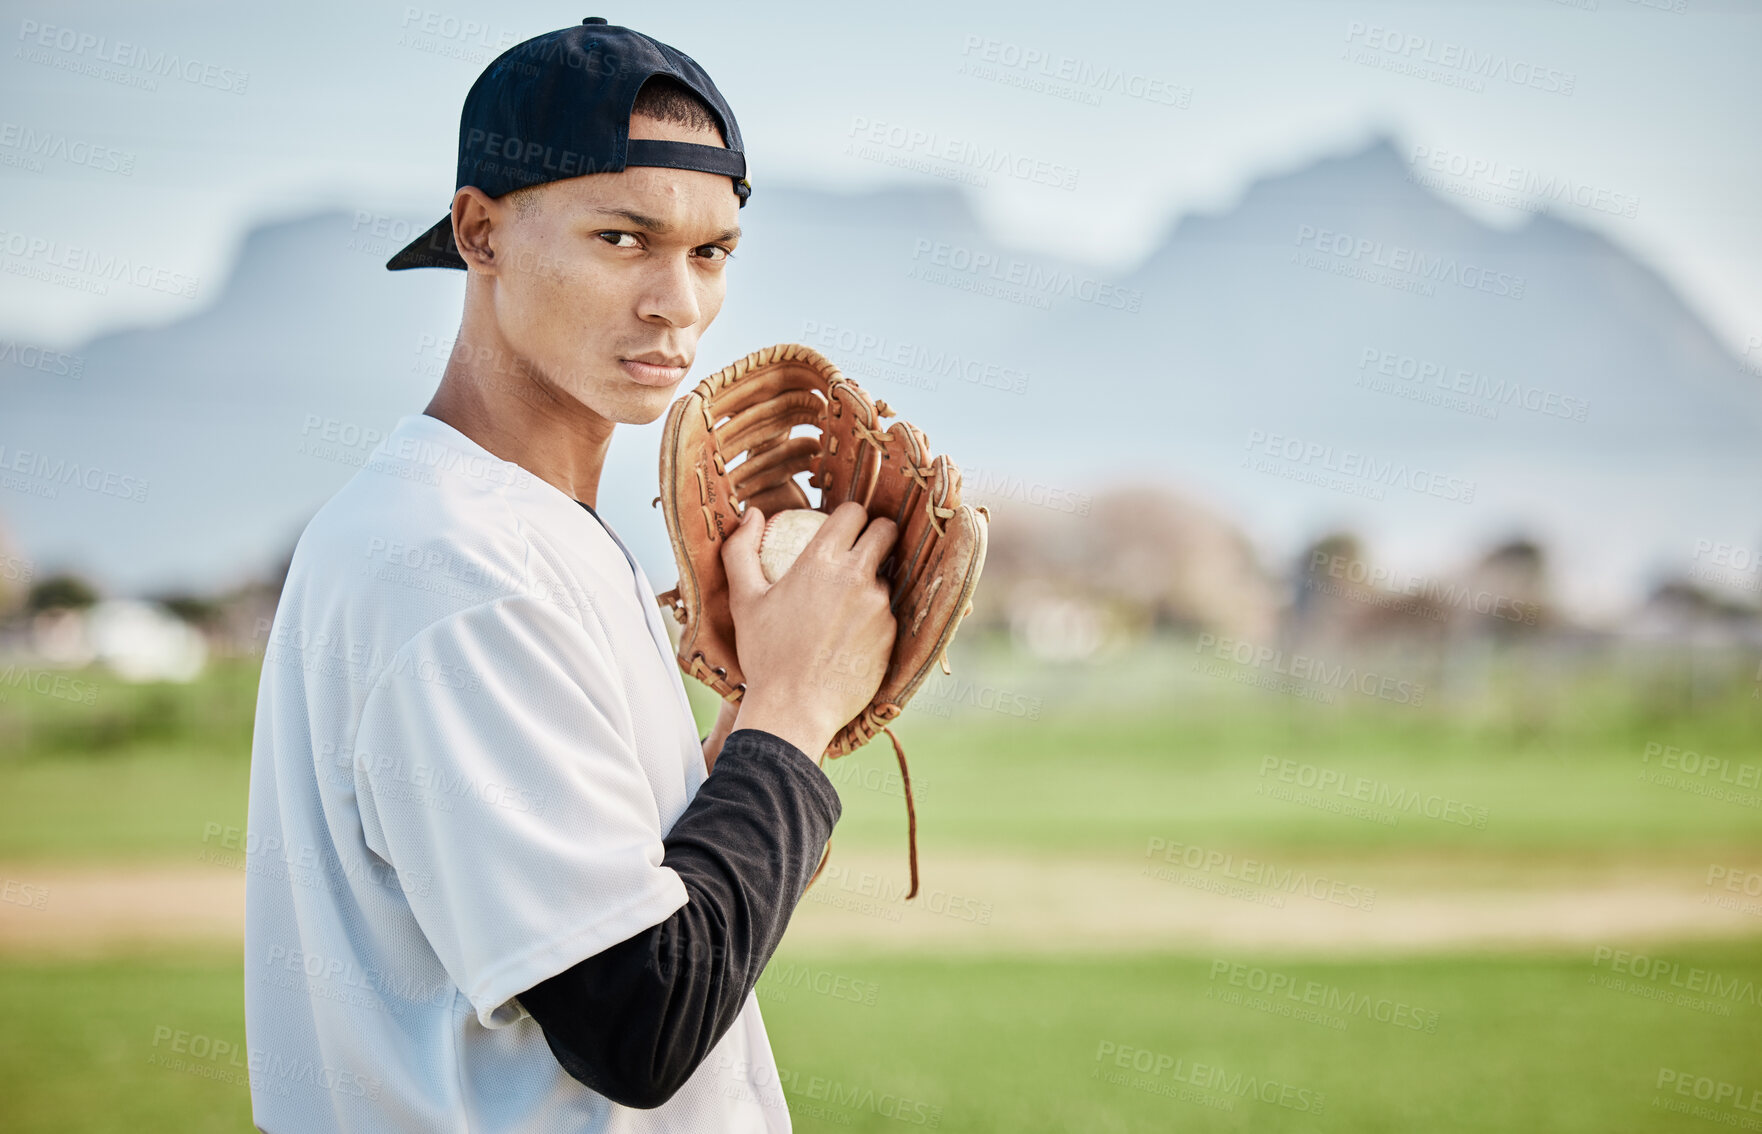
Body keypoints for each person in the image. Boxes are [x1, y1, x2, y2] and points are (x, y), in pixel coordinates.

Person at [243, 17, 896, 1131]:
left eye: (711, 251)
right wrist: (792, 708)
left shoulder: (537, 530)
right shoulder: (456, 562)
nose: (677, 303)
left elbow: (653, 922)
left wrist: (753, 734)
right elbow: (637, 1021)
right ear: (479, 232)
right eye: (620, 238)